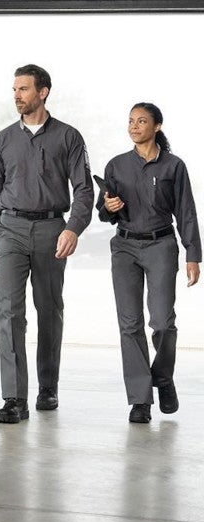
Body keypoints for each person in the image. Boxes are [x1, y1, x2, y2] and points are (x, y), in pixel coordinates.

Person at [0, 64, 94, 424]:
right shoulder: (3, 140)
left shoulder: (68, 137)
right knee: (11, 312)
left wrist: (73, 228)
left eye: (24, 89)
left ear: (42, 92)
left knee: (49, 309)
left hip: (50, 231)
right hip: (9, 229)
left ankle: (48, 386)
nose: (17, 95)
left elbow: (84, 189)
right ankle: (14, 397)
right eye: (14, 89)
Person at [99, 102, 201, 423]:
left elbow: (186, 211)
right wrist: (110, 206)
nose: (134, 126)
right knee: (129, 325)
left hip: (161, 246)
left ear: (157, 126)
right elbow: (105, 215)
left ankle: (163, 376)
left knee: (162, 322)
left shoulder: (173, 166)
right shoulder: (116, 165)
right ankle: (140, 401)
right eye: (130, 121)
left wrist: (193, 254)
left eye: (141, 121)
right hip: (125, 248)